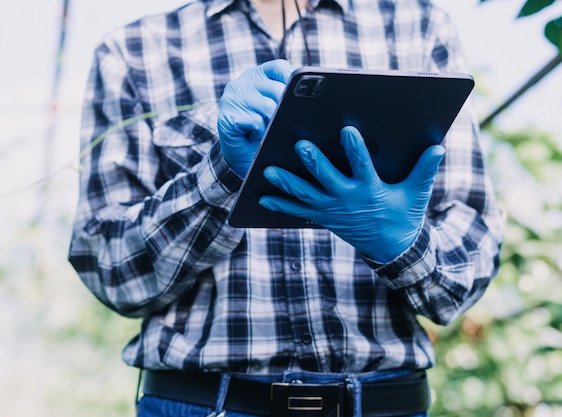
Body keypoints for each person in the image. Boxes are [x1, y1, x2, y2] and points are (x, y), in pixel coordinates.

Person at [68, 0, 504, 416]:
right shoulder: (136, 49)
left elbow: (460, 277)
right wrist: (221, 175)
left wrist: (403, 246)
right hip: (203, 405)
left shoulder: (418, 26)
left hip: (384, 403)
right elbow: (112, 271)